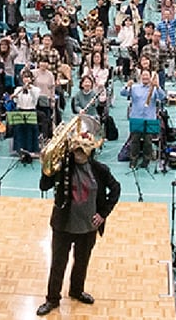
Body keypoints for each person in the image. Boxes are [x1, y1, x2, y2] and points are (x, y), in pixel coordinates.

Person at [36, 131, 120, 315]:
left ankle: (76, 290)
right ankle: (52, 299)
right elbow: (44, 186)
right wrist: (46, 165)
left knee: (82, 262)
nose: (79, 154)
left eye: (82, 151)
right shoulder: (62, 167)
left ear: (90, 151)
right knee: (58, 264)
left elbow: (115, 189)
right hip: (63, 226)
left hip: (88, 227)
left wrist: (103, 214)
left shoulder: (99, 170)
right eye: (76, 151)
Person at [121, 69, 165, 171]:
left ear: (150, 77)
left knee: (148, 142)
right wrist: (127, 86)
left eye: (147, 75)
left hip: (149, 119)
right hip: (136, 119)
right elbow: (123, 93)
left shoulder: (154, 89)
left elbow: (162, 97)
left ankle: (146, 161)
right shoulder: (135, 88)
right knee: (134, 141)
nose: (145, 77)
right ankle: (133, 160)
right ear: (141, 77)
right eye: (143, 75)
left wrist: (158, 87)